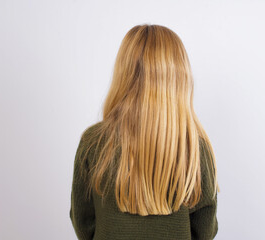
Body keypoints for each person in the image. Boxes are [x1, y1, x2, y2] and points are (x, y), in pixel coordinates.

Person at [69, 24, 220, 240]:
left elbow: (83, 223)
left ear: (124, 73)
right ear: (179, 78)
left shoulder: (93, 141)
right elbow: (204, 230)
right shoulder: (196, 147)